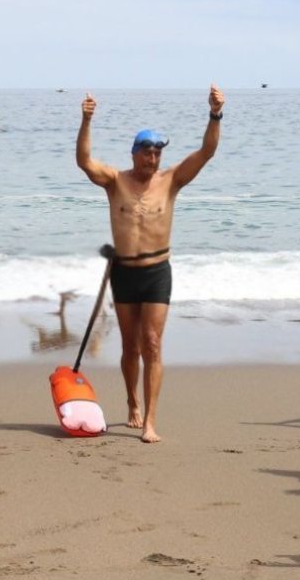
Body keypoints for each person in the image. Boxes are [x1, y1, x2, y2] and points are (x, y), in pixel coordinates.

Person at [76, 85, 224, 443]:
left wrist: (215, 114)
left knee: (153, 343)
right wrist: (86, 120)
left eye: (157, 152)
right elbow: (84, 161)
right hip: (124, 273)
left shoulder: (170, 181)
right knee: (131, 347)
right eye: (147, 152)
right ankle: (132, 402)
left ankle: (150, 422)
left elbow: (206, 152)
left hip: (157, 272)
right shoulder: (115, 181)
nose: (153, 158)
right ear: (134, 153)